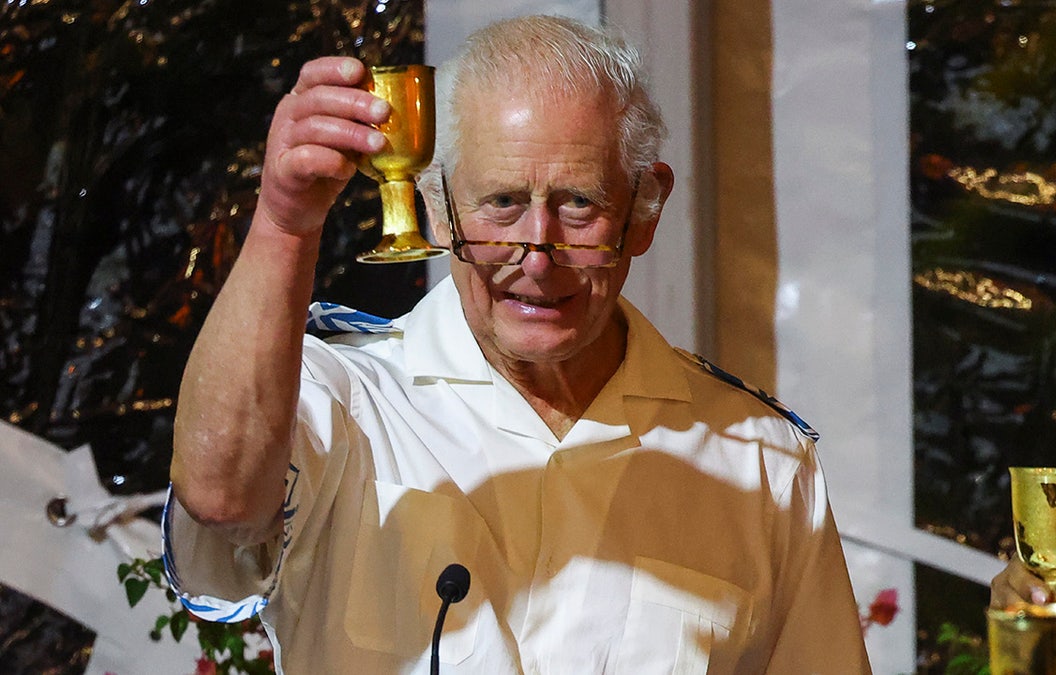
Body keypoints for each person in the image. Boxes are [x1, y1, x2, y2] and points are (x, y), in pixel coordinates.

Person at [162, 15, 871, 674]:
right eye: (501, 201)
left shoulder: (760, 460)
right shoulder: (337, 401)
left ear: (644, 211)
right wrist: (285, 226)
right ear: (436, 206)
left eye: (578, 203)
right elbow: (221, 504)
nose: (536, 255)